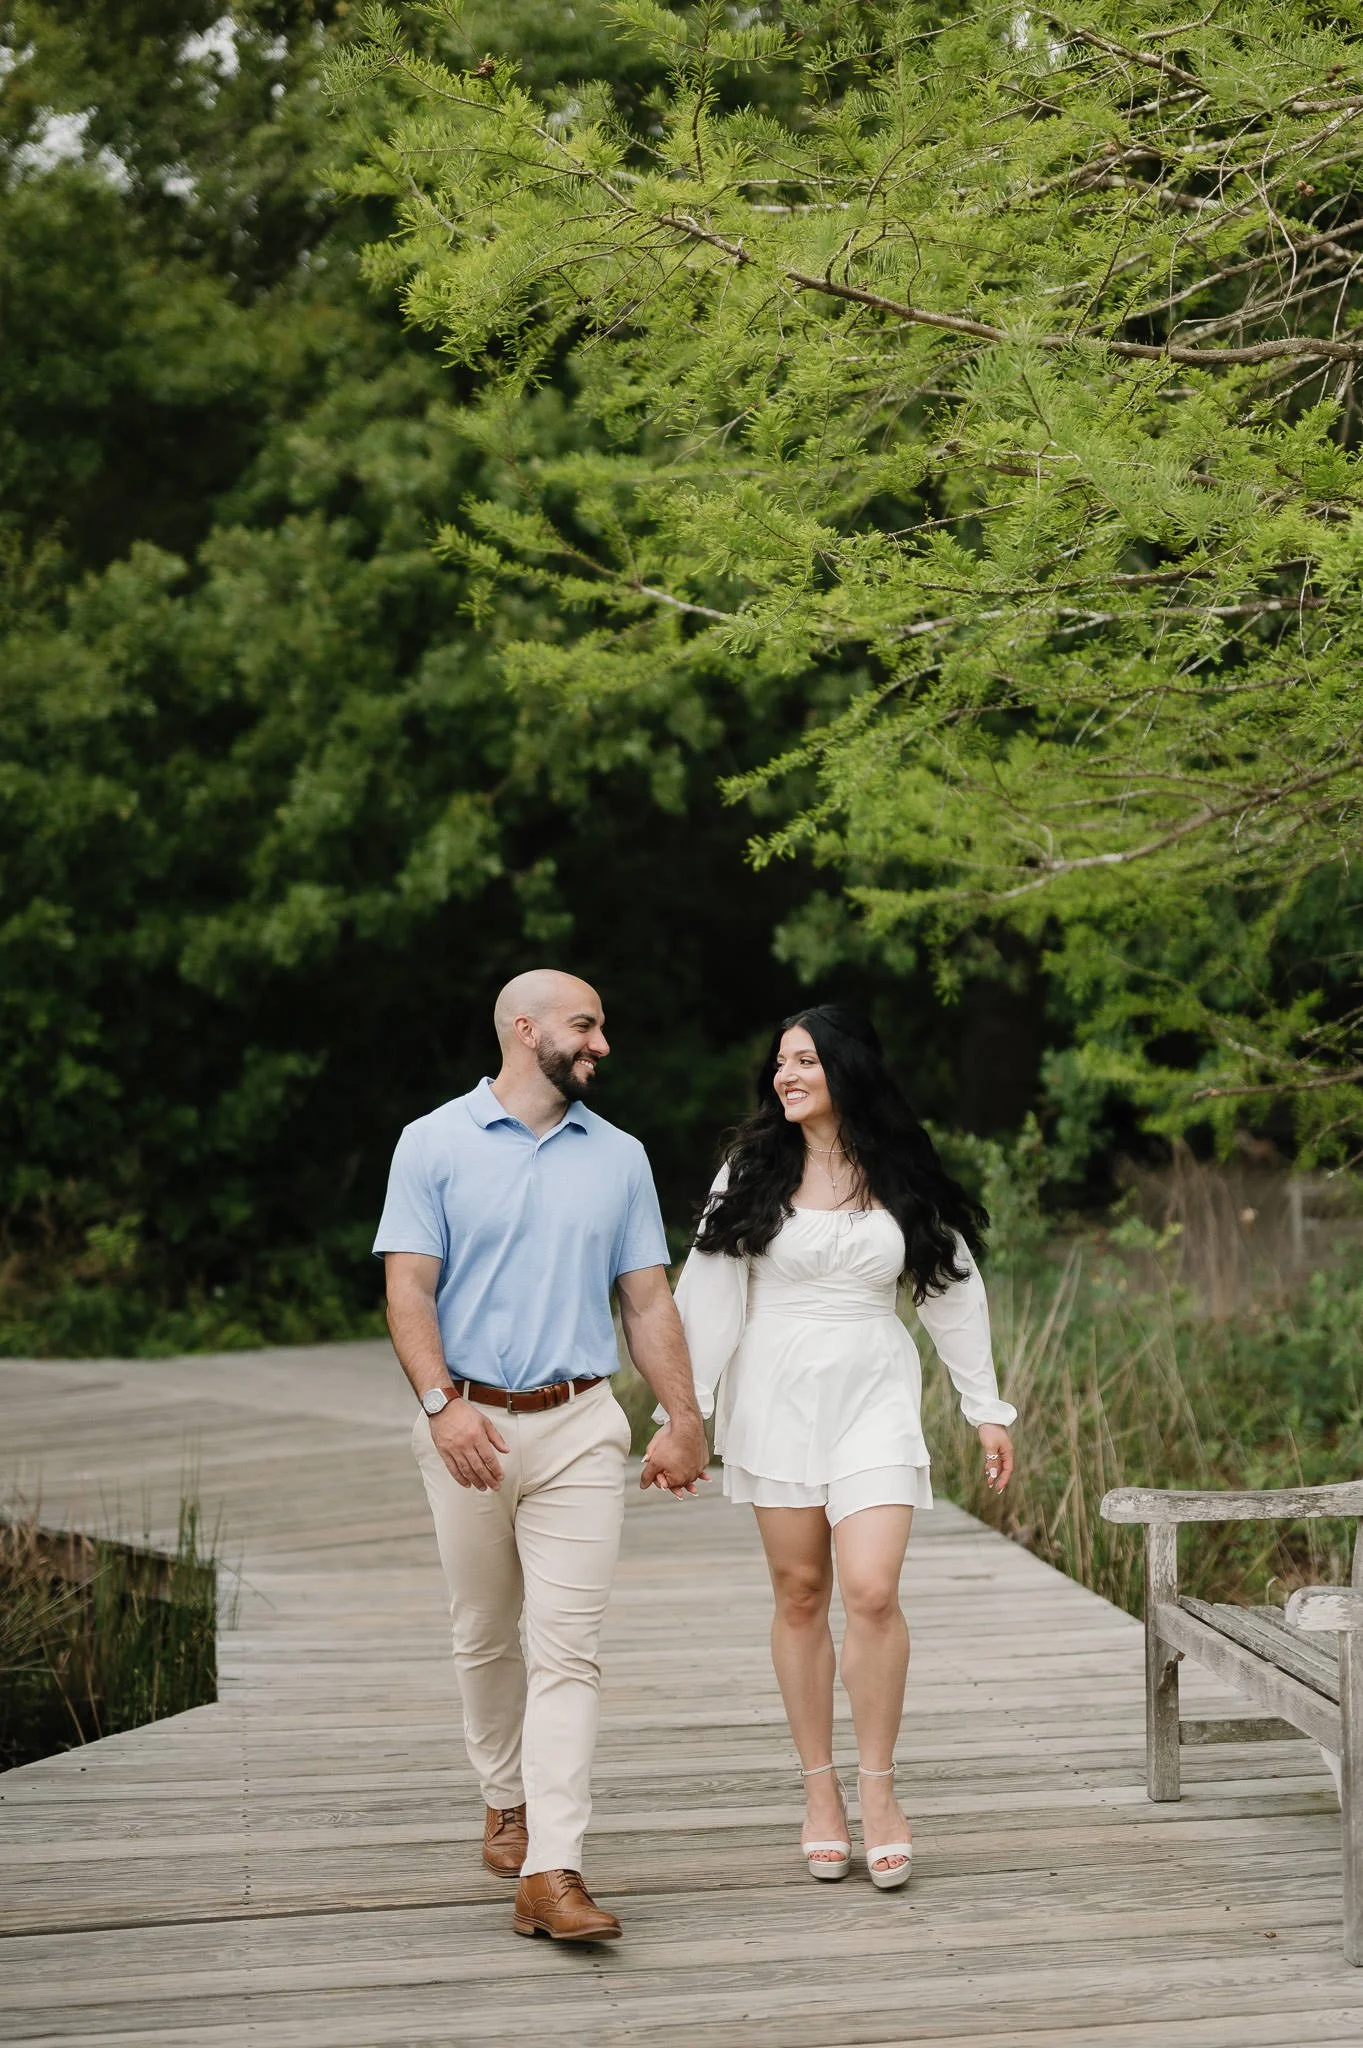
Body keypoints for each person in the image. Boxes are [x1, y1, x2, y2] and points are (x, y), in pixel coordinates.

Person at [375, 969, 709, 1943]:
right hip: (465, 1425)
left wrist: (682, 1417)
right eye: (585, 1024)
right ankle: (503, 1794)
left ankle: (551, 1865)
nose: (601, 1041)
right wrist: (441, 1406)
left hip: (579, 1424)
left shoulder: (620, 1157)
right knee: (484, 1628)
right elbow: (408, 1290)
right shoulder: (431, 1143)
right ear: (524, 1030)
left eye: (601, 1024)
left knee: (568, 1647)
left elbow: (646, 1301)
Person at [662, 1004, 1016, 1889]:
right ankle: (820, 1794)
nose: (785, 1076)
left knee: (870, 1588)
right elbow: (706, 1291)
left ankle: (880, 1791)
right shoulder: (750, 1169)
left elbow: (949, 1287)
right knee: (799, 1592)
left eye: (804, 1060)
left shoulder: (899, 1168)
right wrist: (686, 1413)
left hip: (873, 1392)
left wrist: (985, 1406)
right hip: (774, 1396)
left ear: (845, 1069)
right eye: (779, 1062)